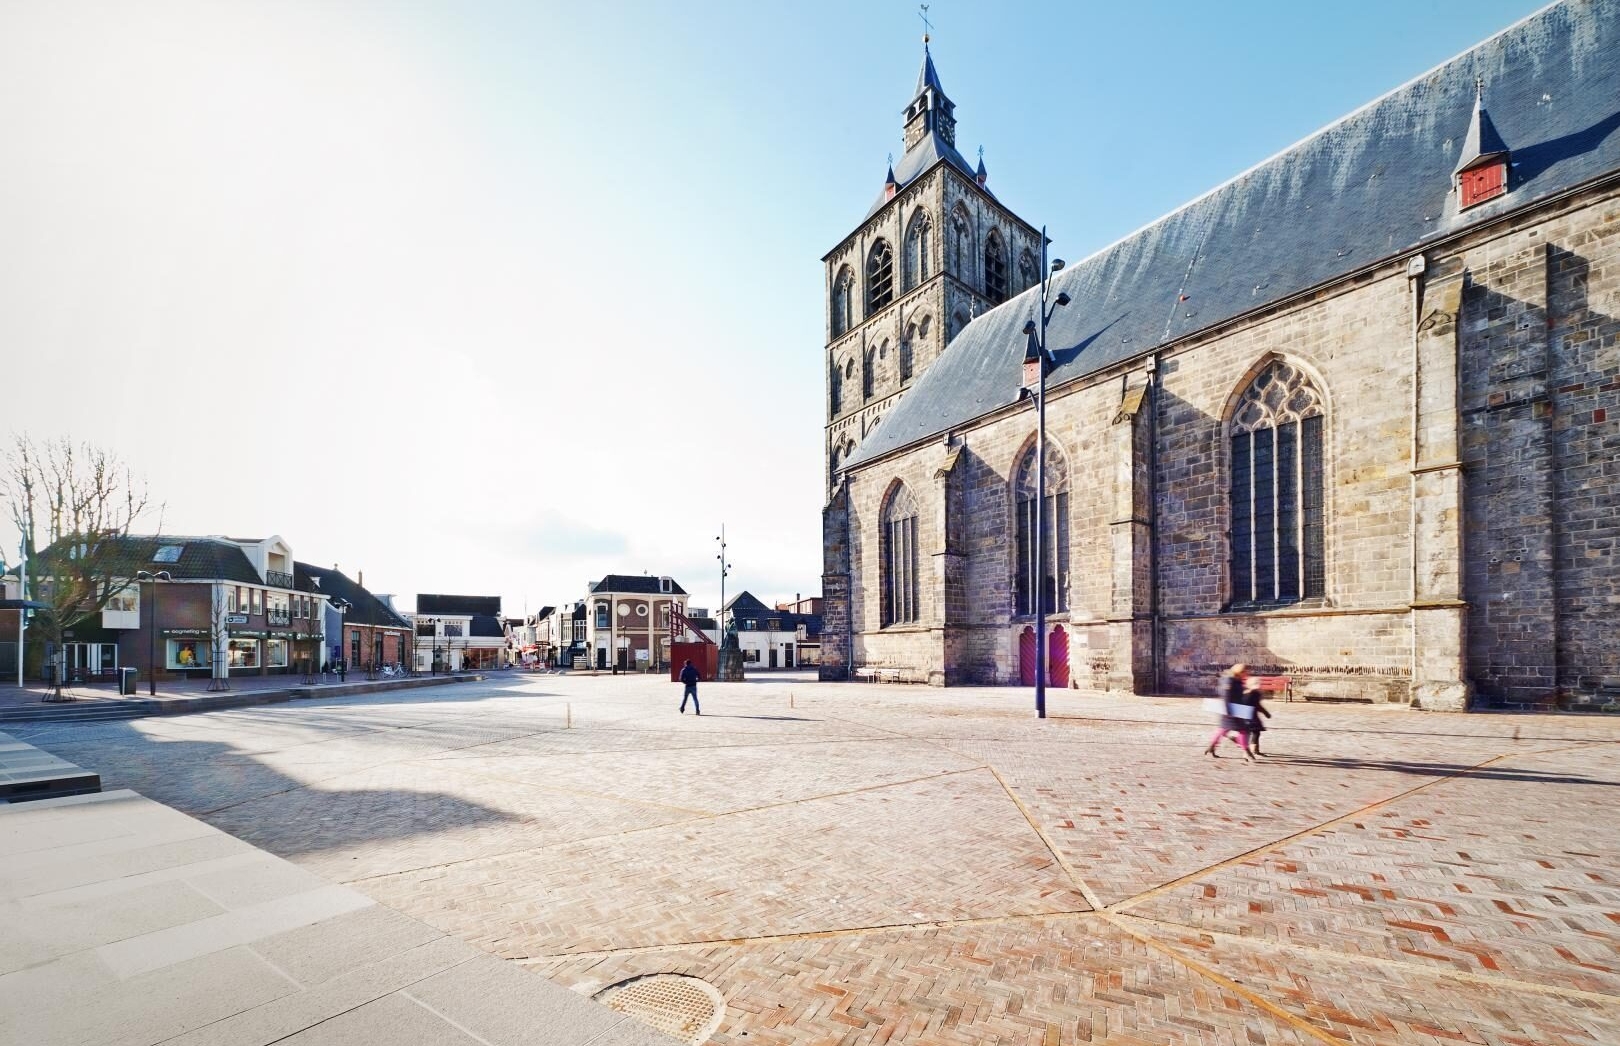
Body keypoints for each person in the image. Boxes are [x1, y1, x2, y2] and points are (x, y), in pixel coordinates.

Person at [1206, 662, 1256, 761]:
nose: (1247, 674)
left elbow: (1236, 693)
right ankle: (1247, 752)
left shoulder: (1236, 679)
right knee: (1242, 730)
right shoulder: (1229, 680)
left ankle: (1211, 748)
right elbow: (1226, 696)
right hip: (1231, 710)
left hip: (1236, 709)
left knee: (1223, 729)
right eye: (1245, 672)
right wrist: (1229, 711)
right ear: (1240, 672)